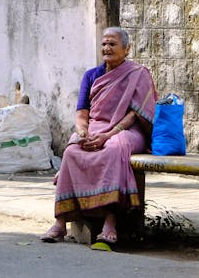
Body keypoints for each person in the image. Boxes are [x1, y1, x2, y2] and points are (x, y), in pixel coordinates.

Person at [40, 26, 157, 250]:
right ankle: (60, 222)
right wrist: (83, 133)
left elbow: (136, 113)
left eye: (112, 44)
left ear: (127, 48)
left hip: (126, 131)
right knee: (72, 151)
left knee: (114, 149)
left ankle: (110, 222)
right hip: (95, 128)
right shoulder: (92, 75)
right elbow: (82, 113)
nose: (106, 48)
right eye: (104, 44)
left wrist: (108, 134)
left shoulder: (138, 74)